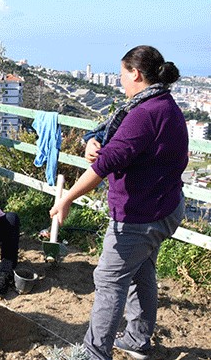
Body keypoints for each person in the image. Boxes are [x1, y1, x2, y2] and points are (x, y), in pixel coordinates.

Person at [50, 46, 187, 360]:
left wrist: (67, 198)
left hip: (140, 216)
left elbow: (102, 168)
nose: (120, 81)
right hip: (166, 206)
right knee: (141, 271)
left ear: (135, 74)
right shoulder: (162, 103)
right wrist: (91, 141)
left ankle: (95, 354)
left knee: (109, 279)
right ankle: (138, 340)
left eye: (122, 74)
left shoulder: (144, 114)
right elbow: (110, 140)